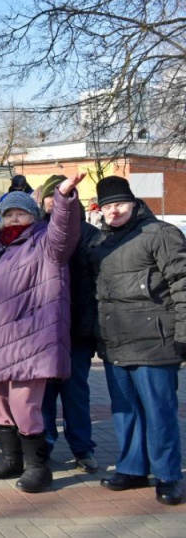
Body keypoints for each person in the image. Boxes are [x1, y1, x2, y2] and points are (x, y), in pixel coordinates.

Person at [0, 173, 84, 494]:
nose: (14, 218)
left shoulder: (45, 243)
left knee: (25, 405)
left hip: (29, 343)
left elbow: (64, 230)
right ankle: (12, 459)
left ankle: (38, 466)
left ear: (33, 216)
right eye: (8, 213)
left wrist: (63, 197)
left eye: (20, 212)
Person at [87, 176, 186, 506]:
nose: (114, 211)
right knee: (125, 411)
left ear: (133, 203)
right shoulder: (100, 244)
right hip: (115, 342)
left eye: (120, 204)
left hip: (155, 342)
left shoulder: (160, 234)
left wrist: (184, 334)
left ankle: (169, 475)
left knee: (159, 412)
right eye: (107, 206)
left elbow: (182, 283)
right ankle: (132, 468)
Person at [36, 175, 100, 473]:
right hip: (45, 334)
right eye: (51, 196)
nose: (55, 200)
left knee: (76, 395)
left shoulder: (89, 235)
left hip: (76, 333)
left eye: (62, 194)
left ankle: (83, 449)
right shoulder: (37, 233)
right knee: (45, 395)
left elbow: (94, 289)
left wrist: (88, 332)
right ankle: (45, 445)